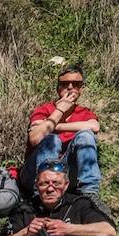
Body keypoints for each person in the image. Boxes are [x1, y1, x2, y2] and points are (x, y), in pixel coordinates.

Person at [21, 65, 102, 200]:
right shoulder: (45, 109)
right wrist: (59, 111)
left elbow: (94, 127)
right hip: (35, 175)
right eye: (65, 84)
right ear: (58, 88)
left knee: (86, 136)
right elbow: (35, 138)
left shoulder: (85, 113)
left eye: (75, 84)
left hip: (66, 177)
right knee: (52, 140)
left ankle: (89, 195)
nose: (70, 87)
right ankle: (38, 197)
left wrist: (53, 125)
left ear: (81, 89)